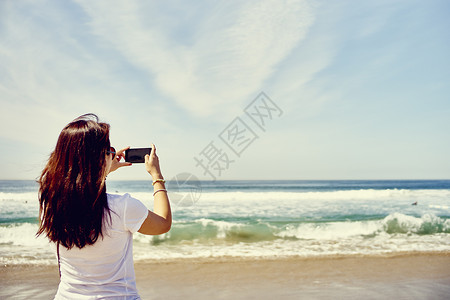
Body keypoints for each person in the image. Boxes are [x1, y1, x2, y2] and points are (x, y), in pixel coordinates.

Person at [37, 113, 171, 299]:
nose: (112, 153)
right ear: (96, 159)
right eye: (108, 149)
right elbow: (163, 223)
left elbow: (82, 191)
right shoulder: (122, 207)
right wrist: (157, 175)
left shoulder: (50, 204)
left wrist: (103, 169)